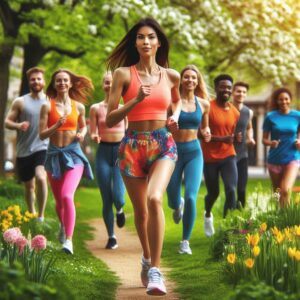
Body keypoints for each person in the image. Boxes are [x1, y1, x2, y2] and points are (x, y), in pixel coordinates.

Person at [106, 17, 181, 296]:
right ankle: (147, 257)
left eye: (151, 37)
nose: (145, 41)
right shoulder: (123, 75)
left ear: (158, 42)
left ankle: (156, 272)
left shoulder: (171, 76)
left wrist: (173, 121)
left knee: (154, 198)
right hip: (132, 146)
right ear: (135, 43)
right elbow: (111, 118)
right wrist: (135, 100)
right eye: (140, 37)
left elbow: (174, 109)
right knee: (141, 211)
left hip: (163, 143)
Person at [39, 69, 94, 255]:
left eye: (65, 80)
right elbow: (41, 134)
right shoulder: (47, 107)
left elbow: (84, 127)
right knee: (58, 201)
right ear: (54, 85)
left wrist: (81, 133)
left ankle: (69, 241)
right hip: (54, 155)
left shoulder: (78, 107)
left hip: (74, 155)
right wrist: (56, 125)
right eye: (58, 81)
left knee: (66, 195)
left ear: (70, 84)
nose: (62, 83)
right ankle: (63, 225)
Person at [166, 65, 210, 255]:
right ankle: (177, 205)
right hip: (173, 152)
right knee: (173, 200)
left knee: (192, 197)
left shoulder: (204, 104)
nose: (190, 80)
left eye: (194, 77)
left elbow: (205, 128)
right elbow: (163, 126)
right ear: (181, 80)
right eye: (186, 77)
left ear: (197, 81)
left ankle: (185, 241)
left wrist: (207, 132)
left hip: (194, 152)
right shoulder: (171, 102)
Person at [5, 67, 49, 221]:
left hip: (43, 146)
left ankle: (41, 216)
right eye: (33, 79)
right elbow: (7, 122)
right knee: (29, 187)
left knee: (41, 177)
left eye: (39, 78)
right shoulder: (20, 101)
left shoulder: (50, 101)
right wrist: (18, 125)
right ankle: (32, 213)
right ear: (29, 82)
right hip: (24, 150)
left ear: (44, 81)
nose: (36, 81)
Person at [89, 72, 127, 250]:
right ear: (102, 85)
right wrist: (95, 136)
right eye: (106, 83)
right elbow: (93, 131)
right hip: (103, 152)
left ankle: (120, 210)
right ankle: (111, 236)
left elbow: (128, 131)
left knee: (119, 197)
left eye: (112, 83)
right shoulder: (96, 108)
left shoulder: (123, 107)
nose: (109, 85)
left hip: (120, 154)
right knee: (106, 198)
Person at [201, 74, 240, 237]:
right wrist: (222, 138)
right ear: (216, 88)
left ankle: (226, 227)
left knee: (231, 189)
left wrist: (236, 139)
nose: (226, 90)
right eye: (223, 87)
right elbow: (200, 133)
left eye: (229, 88)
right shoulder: (207, 107)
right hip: (209, 157)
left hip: (228, 155)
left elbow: (232, 134)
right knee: (213, 193)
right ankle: (208, 213)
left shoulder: (235, 112)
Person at [262, 87, 300, 208]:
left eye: (286, 99)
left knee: (285, 190)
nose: (284, 102)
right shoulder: (270, 117)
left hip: (292, 158)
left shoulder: (297, 116)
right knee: (277, 193)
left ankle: (287, 221)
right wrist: (271, 143)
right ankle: (280, 218)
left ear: (290, 100)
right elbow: (264, 139)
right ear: (277, 101)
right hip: (274, 159)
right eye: (281, 99)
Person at [232, 82, 256, 208]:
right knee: (230, 188)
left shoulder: (248, 112)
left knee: (242, 188)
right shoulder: (227, 108)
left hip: (242, 154)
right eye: (238, 91)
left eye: (244, 92)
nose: (241, 94)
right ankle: (228, 213)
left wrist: (250, 137)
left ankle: (241, 214)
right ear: (232, 92)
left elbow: (249, 127)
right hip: (227, 154)